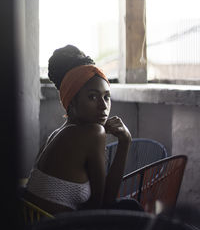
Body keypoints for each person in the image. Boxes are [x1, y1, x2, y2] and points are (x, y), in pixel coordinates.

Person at [25, 44, 139, 215]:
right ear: (71, 101)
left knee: (129, 206)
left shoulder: (59, 133)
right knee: (132, 208)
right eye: (92, 96)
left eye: (106, 97)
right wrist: (125, 141)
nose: (103, 106)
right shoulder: (93, 132)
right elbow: (104, 204)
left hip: (36, 228)